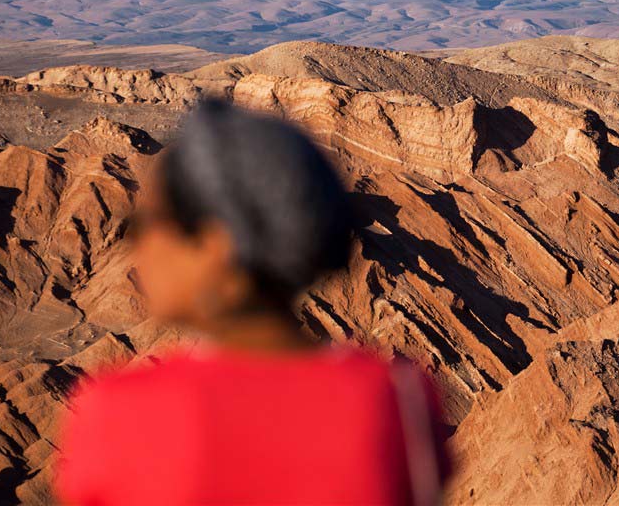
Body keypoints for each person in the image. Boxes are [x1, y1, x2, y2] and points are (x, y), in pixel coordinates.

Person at [55, 100, 451, 506]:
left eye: (147, 224)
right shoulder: (400, 402)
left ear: (215, 247)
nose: (135, 243)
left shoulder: (119, 416)